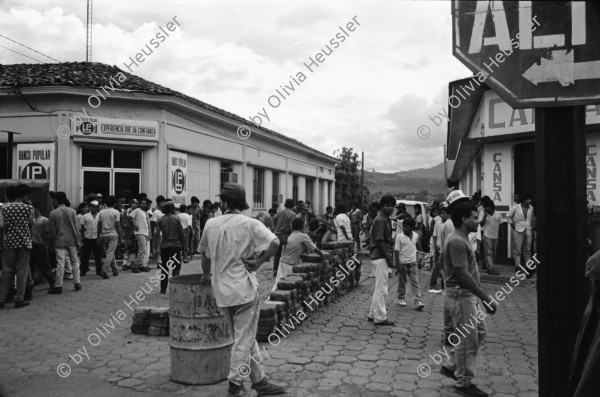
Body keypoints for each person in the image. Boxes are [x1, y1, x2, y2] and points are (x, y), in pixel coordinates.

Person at [199, 183, 287, 396]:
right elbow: (275, 243)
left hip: (221, 291)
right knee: (243, 339)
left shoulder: (210, 224)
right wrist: (258, 262)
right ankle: (235, 383)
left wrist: (205, 276)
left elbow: (204, 255)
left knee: (244, 338)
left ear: (225, 202)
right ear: (242, 202)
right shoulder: (250, 224)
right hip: (244, 290)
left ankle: (259, 380)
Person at [439, 202, 497, 397]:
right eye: (474, 217)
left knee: (479, 332)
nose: (477, 220)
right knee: (468, 341)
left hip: (465, 295)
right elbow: (463, 274)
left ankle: (452, 365)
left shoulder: (461, 238)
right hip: (460, 296)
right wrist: (485, 298)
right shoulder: (456, 241)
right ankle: (463, 383)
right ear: (464, 219)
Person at [0, 184, 34, 308]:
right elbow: (31, 224)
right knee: (22, 271)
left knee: (7, 271)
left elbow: (2, 226)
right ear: (24, 195)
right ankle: (19, 299)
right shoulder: (29, 208)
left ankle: (2, 299)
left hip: (9, 242)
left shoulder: (4, 208)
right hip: (24, 242)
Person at [367, 195, 396, 326]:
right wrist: (389, 259)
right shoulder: (380, 220)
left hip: (380, 256)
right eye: (387, 205)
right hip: (381, 256)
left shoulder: (384, 219)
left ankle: (373, 314)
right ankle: (380, 317)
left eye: (392, 206)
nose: (390, 208)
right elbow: (379, 241)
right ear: (382, 206)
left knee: (379, 287)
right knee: (382, 289)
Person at [272, 217, 323, 291]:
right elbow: (315, 249)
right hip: (290, 264)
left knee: (278, 284)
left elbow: (304, 249)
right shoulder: (303, 236)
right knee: (287, 286)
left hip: (282, 262)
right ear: (303, 227)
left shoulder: (292, 235)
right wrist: (322, 256)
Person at [47, 192, 81, 294]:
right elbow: (76, 228)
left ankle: (58, 286)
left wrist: (50, 243)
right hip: (71, 240)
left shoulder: (53, 213)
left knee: (60, 263)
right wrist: (78, 241)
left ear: (55, 200)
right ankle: (77, 283)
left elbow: (52, 231)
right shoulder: (72, 211)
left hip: (59, 240)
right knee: (75, 262)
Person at [155, 201, 186, 294]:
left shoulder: (160, 220)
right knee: (176, 267)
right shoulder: (177, 219)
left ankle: (163, 289)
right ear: (172, 209)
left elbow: (157, 235)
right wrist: (185, 246)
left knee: (164, 267)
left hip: (164, 246)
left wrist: (155, 248)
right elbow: (181, 234)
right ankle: (175, 289)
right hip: (175, 245)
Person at [395, 217, 424, 309]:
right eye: (403, 226)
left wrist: (422, 256)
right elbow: (396, 251)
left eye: (406, 227)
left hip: (413, 262)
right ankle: (401, 298)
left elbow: (418, 246)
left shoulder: (416, 235)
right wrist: (397, 264)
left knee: (415, 281)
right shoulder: (399, 237)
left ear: (412, 228)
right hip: (402, 263)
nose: (404, 228)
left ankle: (418, 300)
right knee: (402, 282)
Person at [29, 202, 55, 290]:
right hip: (30, 245)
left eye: (33, 209)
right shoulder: (30, 220)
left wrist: (45, 244)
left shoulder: (44, 220)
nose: (31, 211)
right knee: (31, 265)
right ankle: (31, 283)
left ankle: (52, 281)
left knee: (44, 265)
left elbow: (48, 233)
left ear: (37, 209)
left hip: (40, 245)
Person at [507, 193, 534, 272]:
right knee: (517, 249)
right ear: (524, 200)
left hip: (528, 229)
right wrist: (512, 225)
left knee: (528, 250)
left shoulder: (531, 208)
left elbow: (531, 218)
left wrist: (531, 226)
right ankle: (517, 266)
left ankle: (528, 267)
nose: (530, 201)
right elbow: (508, 216)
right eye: (528, 199)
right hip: (518, 229)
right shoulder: (515, 207)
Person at [97, 195, 122, 278]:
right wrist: (121, 236)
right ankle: (104, 270)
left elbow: (99, 225)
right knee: (110, 253)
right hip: (113, 234)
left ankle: (115, 270)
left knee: (110, 253)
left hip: (104, 234)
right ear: (114, 203)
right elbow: (118, 225)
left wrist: (98, 236)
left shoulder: (101, 212)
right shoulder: (116, 212)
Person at [272, 199, 296, 278]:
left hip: (278, 234)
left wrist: (277, 226)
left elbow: (274, 219)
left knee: (277, 254)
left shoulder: (279, 212)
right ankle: (284, 271)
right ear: (292, 205)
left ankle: (275, 271)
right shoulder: (293, 214)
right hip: (287, 235)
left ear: (285, 204)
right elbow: (293, 226)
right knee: (287, 254)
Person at [479, 200, 503, 275]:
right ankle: (490, 268)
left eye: (486, 207)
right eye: (484, 207)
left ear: (491, 207)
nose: (485, 209)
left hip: (495, 236)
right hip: (487, 236)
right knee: (488, 253)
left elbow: (501, 226)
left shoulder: (498, 214)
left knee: (494, 253)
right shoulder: (484, 214)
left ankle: (490, 266)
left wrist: (502, 236)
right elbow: (481, 224)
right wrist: (485, 216)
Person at [129, 198, 151, 273]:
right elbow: (129, 217)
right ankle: (135, 266)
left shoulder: (145, 212)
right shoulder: (137, 210)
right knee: (142, 250)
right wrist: (134, 225)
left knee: (142, 250)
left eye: (145, 204)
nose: (143, 205)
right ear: (139, 204)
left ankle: (141, 265)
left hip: (145, 232)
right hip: (139, 232)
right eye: (142, 203)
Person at [80, 201, 102, 276]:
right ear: (90, 207)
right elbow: (82, 227)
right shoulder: (85, 216)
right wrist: (82, 237)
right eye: (92, 207)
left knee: (98, 256)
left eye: (95, 207)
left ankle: (99, 271)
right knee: (85, 256)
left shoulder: (100, 215)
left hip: (97, 238)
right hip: (87, 238)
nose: (93, 208)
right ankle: (83, 271)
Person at [430, 206, 449, 292]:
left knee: (445, 267)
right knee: (437, 266)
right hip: (438, 247)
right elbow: (434, 235)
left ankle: (443, 285)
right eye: (441, 213)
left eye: (444, 213)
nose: (442, 215)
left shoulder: (449, 223)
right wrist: (435, 245)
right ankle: (433, 283)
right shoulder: (437, 223)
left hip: (446, 248)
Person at [121, 199, 138, 270]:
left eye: (137, 203)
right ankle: (125, 263)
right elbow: (127, 222)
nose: (136, 204)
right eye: (135, 203)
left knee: (133, 248)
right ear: (131, 203)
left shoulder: (136, 211)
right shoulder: (128, 211)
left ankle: (130, 263)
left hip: (134, 231)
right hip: (128, 231)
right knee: (128, 247)